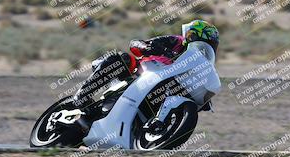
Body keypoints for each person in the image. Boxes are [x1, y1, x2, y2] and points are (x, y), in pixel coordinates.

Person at [73, 20, 219, 107]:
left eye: (209, 44)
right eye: (200, 40)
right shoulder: (176, 41)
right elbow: (136, 43)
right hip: (143, 73)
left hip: (163, 88)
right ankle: (82, 96)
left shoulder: (200, 66)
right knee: (122, 58)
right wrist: (146, 47)